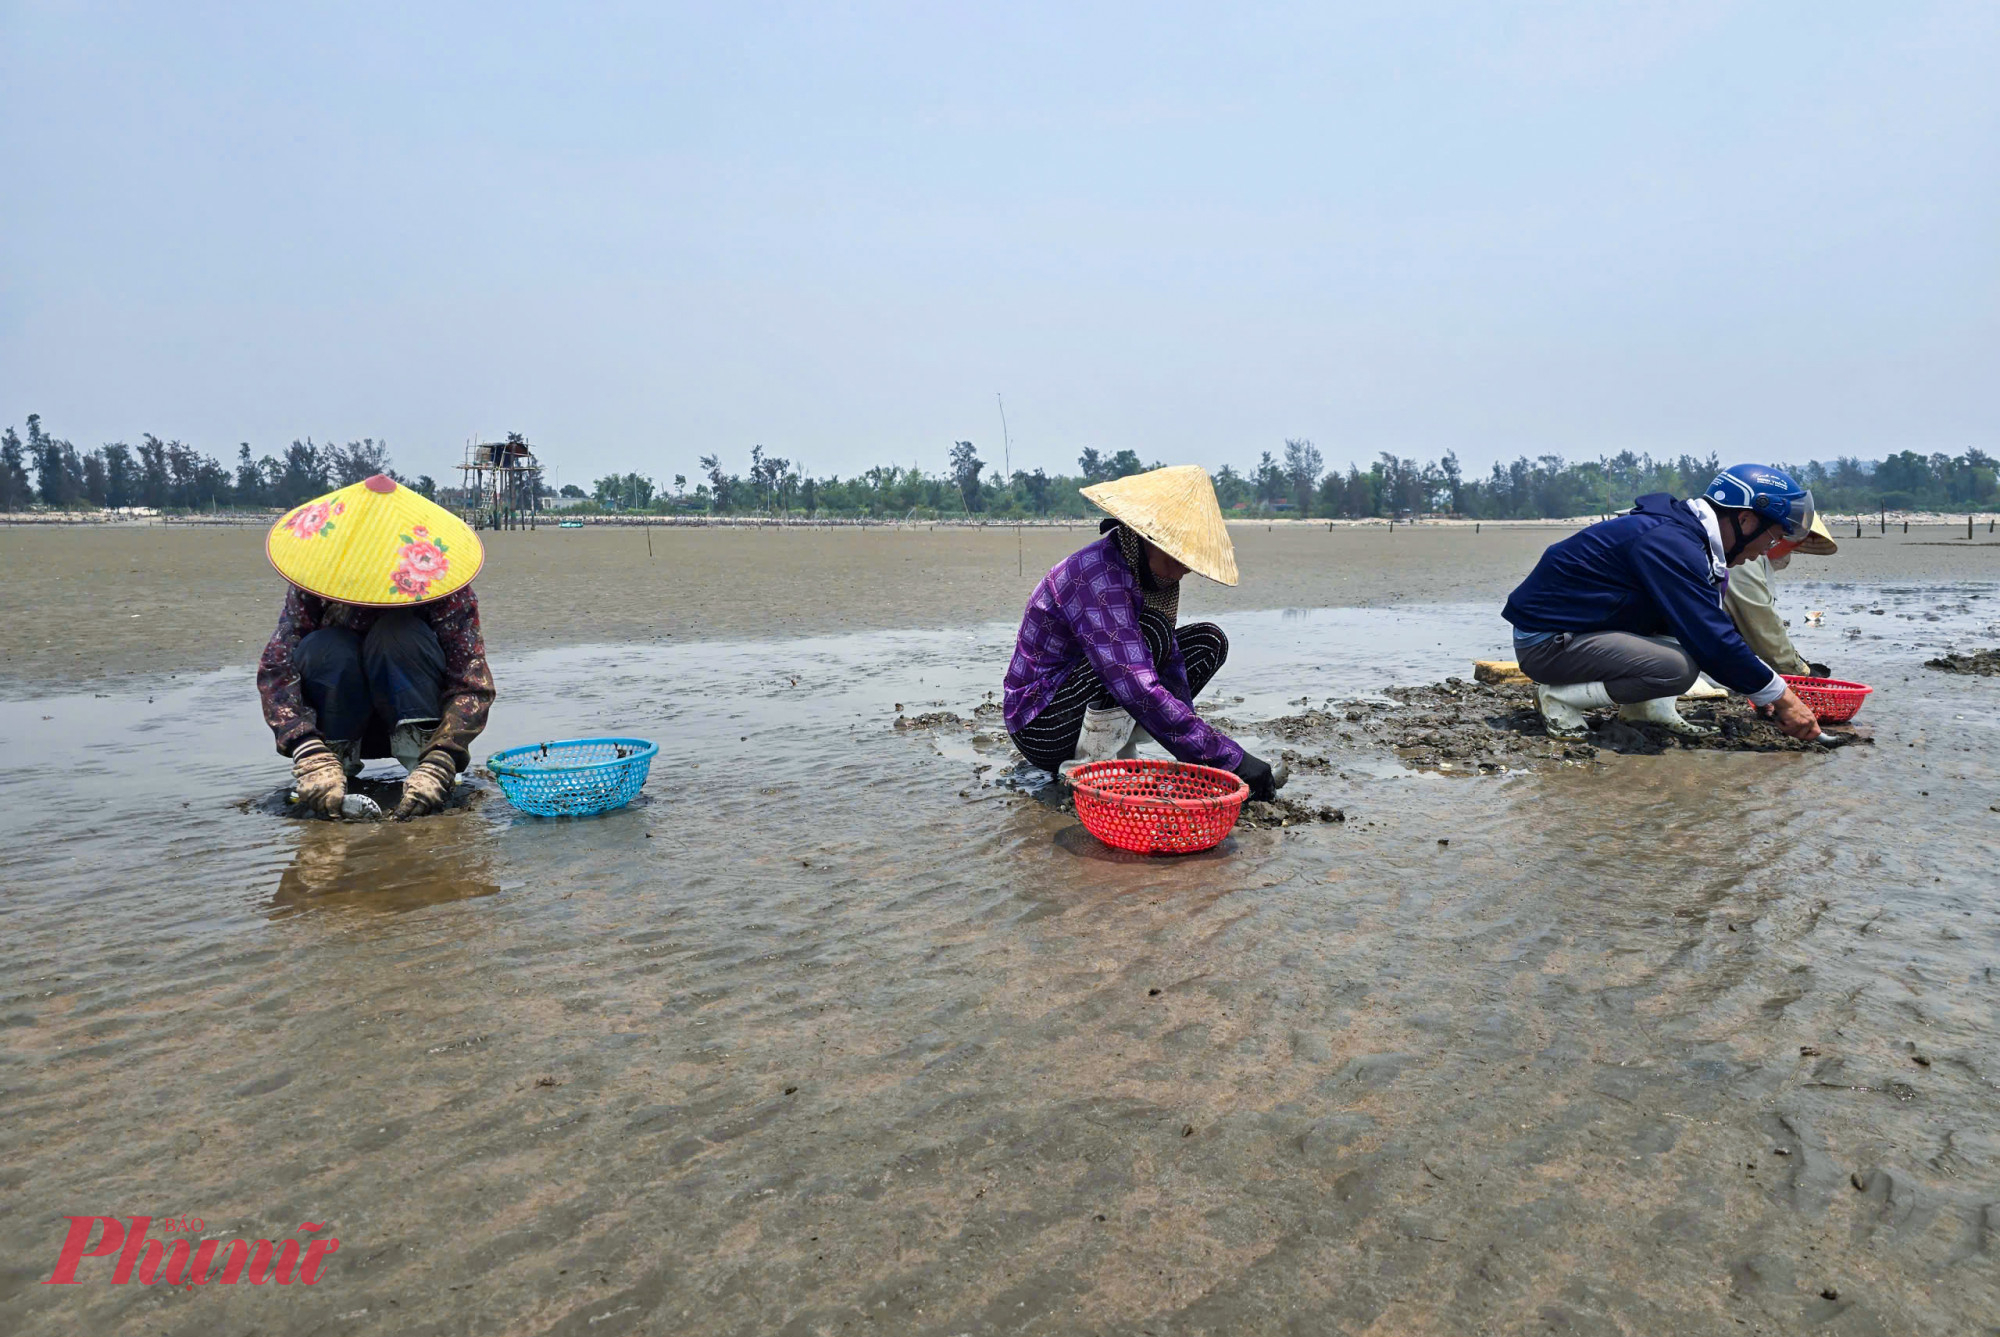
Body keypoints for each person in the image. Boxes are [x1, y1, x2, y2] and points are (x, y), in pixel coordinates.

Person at [1003, 464, 1283, 799]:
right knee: (1152, 634)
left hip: (1086, 694)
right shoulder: (1098, 575)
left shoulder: (1152, 579)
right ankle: (1086, 769)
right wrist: (1231, 760)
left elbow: (1171, 672)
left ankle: (1116, 750)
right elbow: (1138, 685)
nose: (1187, 567)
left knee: (1208, 642)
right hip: (1041, 723)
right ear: (1149, 538)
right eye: (1179, 553)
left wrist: (1206, 759)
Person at [1501, 463, 1824, 742]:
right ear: (1745, 520)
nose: (1766, 550)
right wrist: (1783, 698)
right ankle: (1560, 698)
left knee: (1688, 641)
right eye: (1772, 538)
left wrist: (1759, 685)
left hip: (1586, 629)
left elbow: (1713, 630)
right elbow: (1713, 641)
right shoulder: (1670, 543)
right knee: (1676, 668)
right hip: (1546, 643)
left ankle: (1645, 708)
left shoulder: (1690, 540)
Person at [257, 474, 496, 820]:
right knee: (326, 647)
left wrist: (444, 755)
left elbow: (472, 686)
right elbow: (277, 672)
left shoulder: (445, 590)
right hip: (338, 720)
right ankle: (334, 766)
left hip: (418, 717)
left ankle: (423, 769)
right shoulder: (316, 585)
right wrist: (306, 750)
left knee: (397, 634)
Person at [1724, 513, 1838, 679]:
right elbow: (1761, 623)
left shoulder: (1744, 553)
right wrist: (1801, 671)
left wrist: (1796, 661)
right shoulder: (1744, 561)